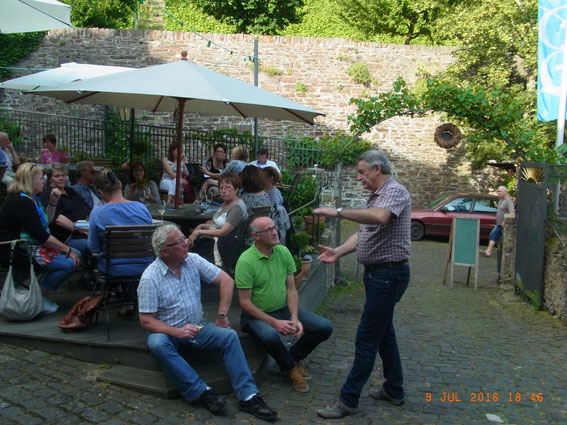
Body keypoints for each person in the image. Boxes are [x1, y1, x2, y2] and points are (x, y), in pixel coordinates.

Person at [137, 224, 277, 421]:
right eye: (179, 242)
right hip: (167, 332)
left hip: (197, 326)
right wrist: (177, 332)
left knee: (229, 336)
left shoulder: (192, 260)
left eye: (184, 238)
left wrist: (221, 315)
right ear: (164, 251)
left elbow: (227, 281)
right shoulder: (150, 278)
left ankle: (248, 396)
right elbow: (146, 320)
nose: (186, 243)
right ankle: (201, 392)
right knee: (157, 343)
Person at [313, 150, 411, 419]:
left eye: (361, 172)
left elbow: (379, 217)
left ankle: (348, 400)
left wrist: (339, 211)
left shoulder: (395, 192)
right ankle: (394, 389)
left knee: (367, 338)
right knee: (384, 334)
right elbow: (364, 232)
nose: (359, 177)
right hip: (379, 275)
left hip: (388, 276)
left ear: (377, 169)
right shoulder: (378, 195)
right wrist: (339, 251)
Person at [235, 216, 333, 393]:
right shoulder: (246, 261)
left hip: (284, 311)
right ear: (256, 236)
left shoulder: (283, 252)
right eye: (269, 230)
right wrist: (274, 322)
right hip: (255, 316)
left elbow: (291, 289)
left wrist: (295, 318)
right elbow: (245, 303)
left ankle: (294, 358)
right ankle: (290, 369)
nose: (275, 232)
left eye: (274, 227)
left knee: (324, 327)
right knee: (270, 335)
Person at [0, 163, 81, 313]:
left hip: (33, 245)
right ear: (29, 181)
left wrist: (53, 202)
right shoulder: (21, 201)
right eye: (40, 179)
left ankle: (38, 293)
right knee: (70, 261)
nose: (43, 182)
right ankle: (38, 296)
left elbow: (47, 221)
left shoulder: (32, 198)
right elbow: (42, 236)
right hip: (20, 250)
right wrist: (67, 249)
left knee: (77, 254)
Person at [87, 169, 153, 318]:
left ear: (100, 193)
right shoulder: (141, 208)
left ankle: (114, 293)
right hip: (144, 264)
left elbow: (94, 248)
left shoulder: (97, 213)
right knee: (126, 257)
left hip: (114, 268)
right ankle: (129, 301)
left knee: (105, 259)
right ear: (121, 185)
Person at [187, 173, 248, 267]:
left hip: (222, 246)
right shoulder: (226, 203)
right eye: (221, 187)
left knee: (187, 248)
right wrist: (200, 226)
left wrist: (198, 232)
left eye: (228, 187)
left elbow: (223, 232)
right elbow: (217, 224)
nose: (223, 191)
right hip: (212, 240)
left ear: (236, 190)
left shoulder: (237, 208)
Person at [39, 163, 90, 257]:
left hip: (85, 229)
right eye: (57, 176)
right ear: (50, 178)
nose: (61, 178)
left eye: (63, 175)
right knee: (91, 245)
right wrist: (83, 230)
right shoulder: (47, 194)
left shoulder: (71, 191)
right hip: (67, 236)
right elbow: (57, 219)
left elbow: (86, 209)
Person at [483, 186, 515, 257]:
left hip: (504, 225)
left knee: (506, 241)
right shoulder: (501, 199)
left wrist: (505, 221)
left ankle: (507, 256)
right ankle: (488, 251)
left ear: (505, 192)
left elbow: (512, 213)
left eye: (500, 191)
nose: (498, 193)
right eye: (498, 191)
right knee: (492, 235)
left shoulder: (508, 201)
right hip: (498, 224)